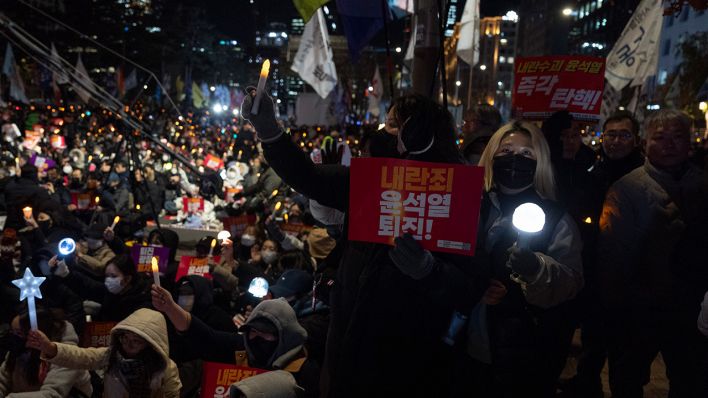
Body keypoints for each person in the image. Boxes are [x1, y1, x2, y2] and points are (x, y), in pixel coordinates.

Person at [242, 92, 487, 397]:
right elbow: (309, 177)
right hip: (346, 351)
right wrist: (270, 131)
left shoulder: (462, 196)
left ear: (420, 133)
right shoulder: (368, 181)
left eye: (395, 126)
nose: (387, 135)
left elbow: (470, 288)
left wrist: (430, 271)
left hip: (413, 365)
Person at [451, 120, 584, 397]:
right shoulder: (465, 203)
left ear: (541, 162)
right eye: (506, 149)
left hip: (520, 352)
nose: (514, 158)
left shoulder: (555, 218)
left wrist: (535, 270)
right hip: (460, 343)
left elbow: (570, 282)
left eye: (526, 154)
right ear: (491, 155)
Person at [598, 109, 708, 398]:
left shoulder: (703, 184)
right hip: (639, 309)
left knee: (691, 378)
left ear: (690, 142)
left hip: (691, 307)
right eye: (660, 138)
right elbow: (613, 256)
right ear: (645, 143)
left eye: (677, 138)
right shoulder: (626, 188)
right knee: (627, 378)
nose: (669, 145)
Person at [563, 111, 645, 397]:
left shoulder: (645, 176)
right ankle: (587, 384)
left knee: (625, 355)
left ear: (636, 140)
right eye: (611, 134)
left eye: (624, 135)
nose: (616, 141)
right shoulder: (594, 172)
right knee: (592, 340)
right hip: (595, 272)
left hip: (632, 280)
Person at [151, 286, 319, 397]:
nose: (257, 338)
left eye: (266, 333)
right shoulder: (241, 347)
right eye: (253, 331)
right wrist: (170, 308)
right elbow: (204, 337)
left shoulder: (303, 369)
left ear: (285, 336)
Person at [26, 308, 182, 398]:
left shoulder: (166, 368)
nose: (128, 344)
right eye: (125, 337)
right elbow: (80, 356)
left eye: (136, 341)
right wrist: (50, 348)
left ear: (151, 345)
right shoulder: (111, 356)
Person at [0, 308, 92, 397]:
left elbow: (53, 394)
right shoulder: (18, 349)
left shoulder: (66, 354)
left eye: (19, 333)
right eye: (13, 332)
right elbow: (2, 381)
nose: (15, 337)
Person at [51, 253, 152, 322]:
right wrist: (65, 273)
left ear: (127, 279)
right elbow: (87, 286)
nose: (108, 280)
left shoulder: (143, 301)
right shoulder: (111, 292)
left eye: (113, 276)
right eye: (107, 276)